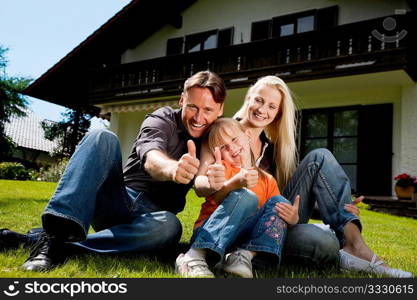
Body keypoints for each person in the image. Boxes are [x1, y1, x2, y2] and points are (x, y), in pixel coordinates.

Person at [0, 70, 226, 271]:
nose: (199, 117)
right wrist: (172, 168)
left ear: (220, 110)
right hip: (117, 201)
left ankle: (55, 244)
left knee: (171, 226)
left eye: (208, 110)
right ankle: (54, 235)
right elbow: (151, 155)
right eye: (192, 107)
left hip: (152, 220)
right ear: (181, 100)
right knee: (102, 136)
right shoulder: (162, 118)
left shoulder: (214, 137)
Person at [194, 75, 413, 278]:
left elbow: (280, 199)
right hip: (235, 222)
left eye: (272, 106)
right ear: (249, 98)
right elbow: (202, 182)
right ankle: (242, 253)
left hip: (270, 225)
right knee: (323, 242)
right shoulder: (222, 133)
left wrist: (336, 206)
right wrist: (220, 180)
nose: (262, 110)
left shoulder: (274, 151)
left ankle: (355, 248)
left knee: (320, 159)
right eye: (259, 100)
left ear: (278, 113)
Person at [175, 118, 300, 278]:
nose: (232, 148)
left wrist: (293, 218)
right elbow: (215, 193)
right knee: (246, 197)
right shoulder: (221, 170)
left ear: (248, 135)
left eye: (234, 140)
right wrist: (235, 184)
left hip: (241, 239)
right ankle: (193, 255)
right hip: (208, 231)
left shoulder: (267, 179)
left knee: (280, 203)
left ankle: (243, 256)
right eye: (223, 147)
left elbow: (272, 217)